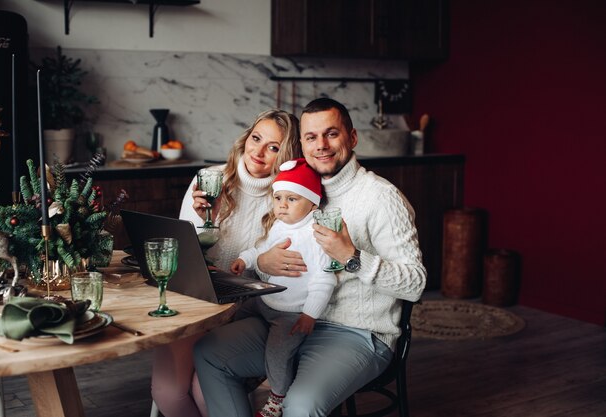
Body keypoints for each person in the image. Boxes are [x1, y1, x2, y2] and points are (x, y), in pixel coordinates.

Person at [193, 97, 427, 417]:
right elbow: (263, 252)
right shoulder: (294, 191)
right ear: (301, 144)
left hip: (356, 333)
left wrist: (352, 256)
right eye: (311, 137)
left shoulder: (381, 198)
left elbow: (415, 284)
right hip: (290, 321)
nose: (321, 145)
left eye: (332, 134)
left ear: (353, 138)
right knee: (209, 352)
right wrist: (259, 262)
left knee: (300, 405)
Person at [151, 109, 302, 417]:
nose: (258, 152)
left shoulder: (289, 200)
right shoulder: (210, 180)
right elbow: (188, 259)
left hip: (247, 313)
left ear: (286, 156)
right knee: (168, 393)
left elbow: (280, 272)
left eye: (273, 147)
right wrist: (209, 220)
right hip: (199, 304)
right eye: (256, 138)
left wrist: (257, 265)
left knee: (203, 393)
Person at [230, 158, 337, 417]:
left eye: (292, 199)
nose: (282, 206)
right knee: (230, 316)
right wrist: (245, 258)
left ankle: (277, 397)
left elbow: (325, 279)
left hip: (290, 312)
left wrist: (309, 314)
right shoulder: (279, 225)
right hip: (265, 299)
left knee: (278, 352)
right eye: (278, 198)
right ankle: (245, 375)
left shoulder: (316, 235)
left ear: (312, 203)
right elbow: (261, 249)